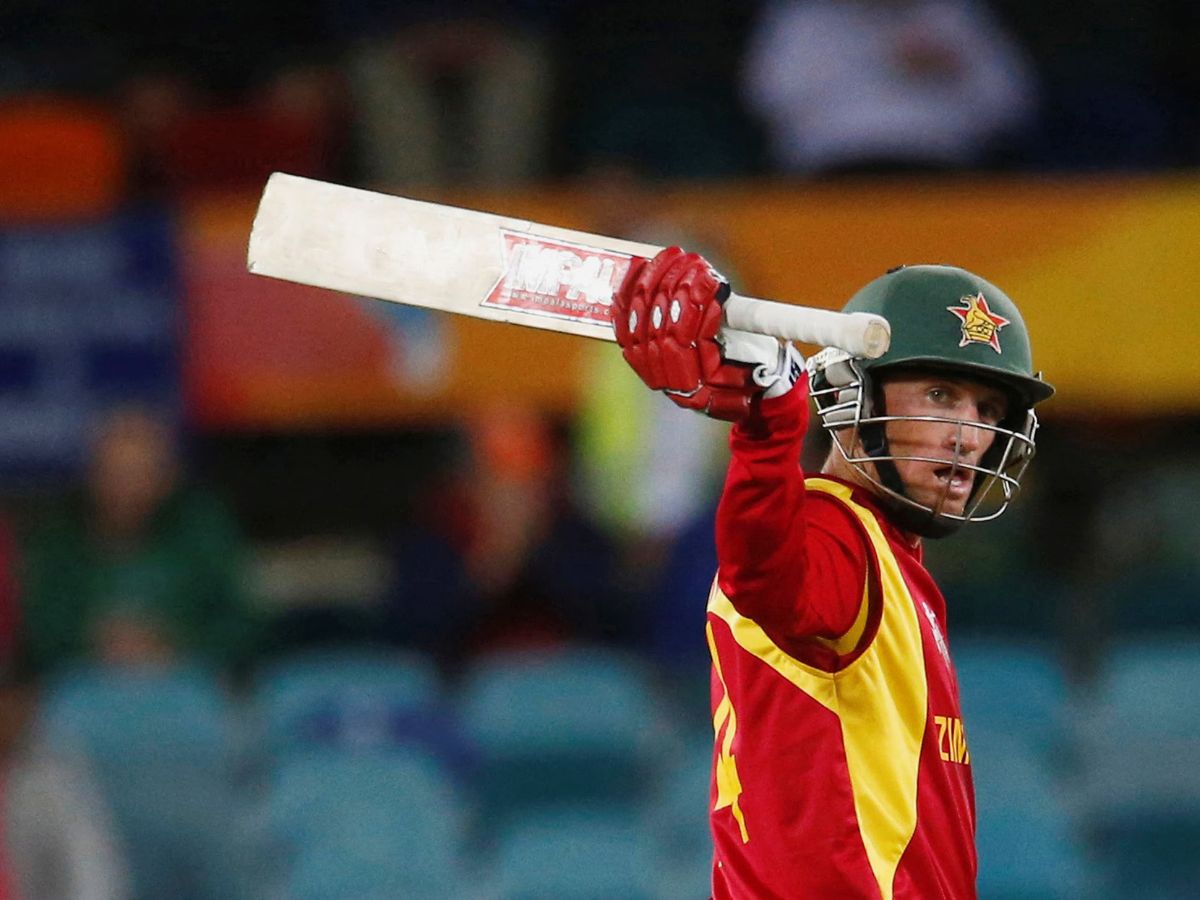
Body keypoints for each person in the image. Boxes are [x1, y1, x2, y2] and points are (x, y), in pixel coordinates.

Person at [612, 248, 1053, 898]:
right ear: (852, 394)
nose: (968, 434)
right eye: (940, 395)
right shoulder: (832, 531)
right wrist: (768, 432)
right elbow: (765, 574)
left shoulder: (890, 556)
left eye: (988, 410)